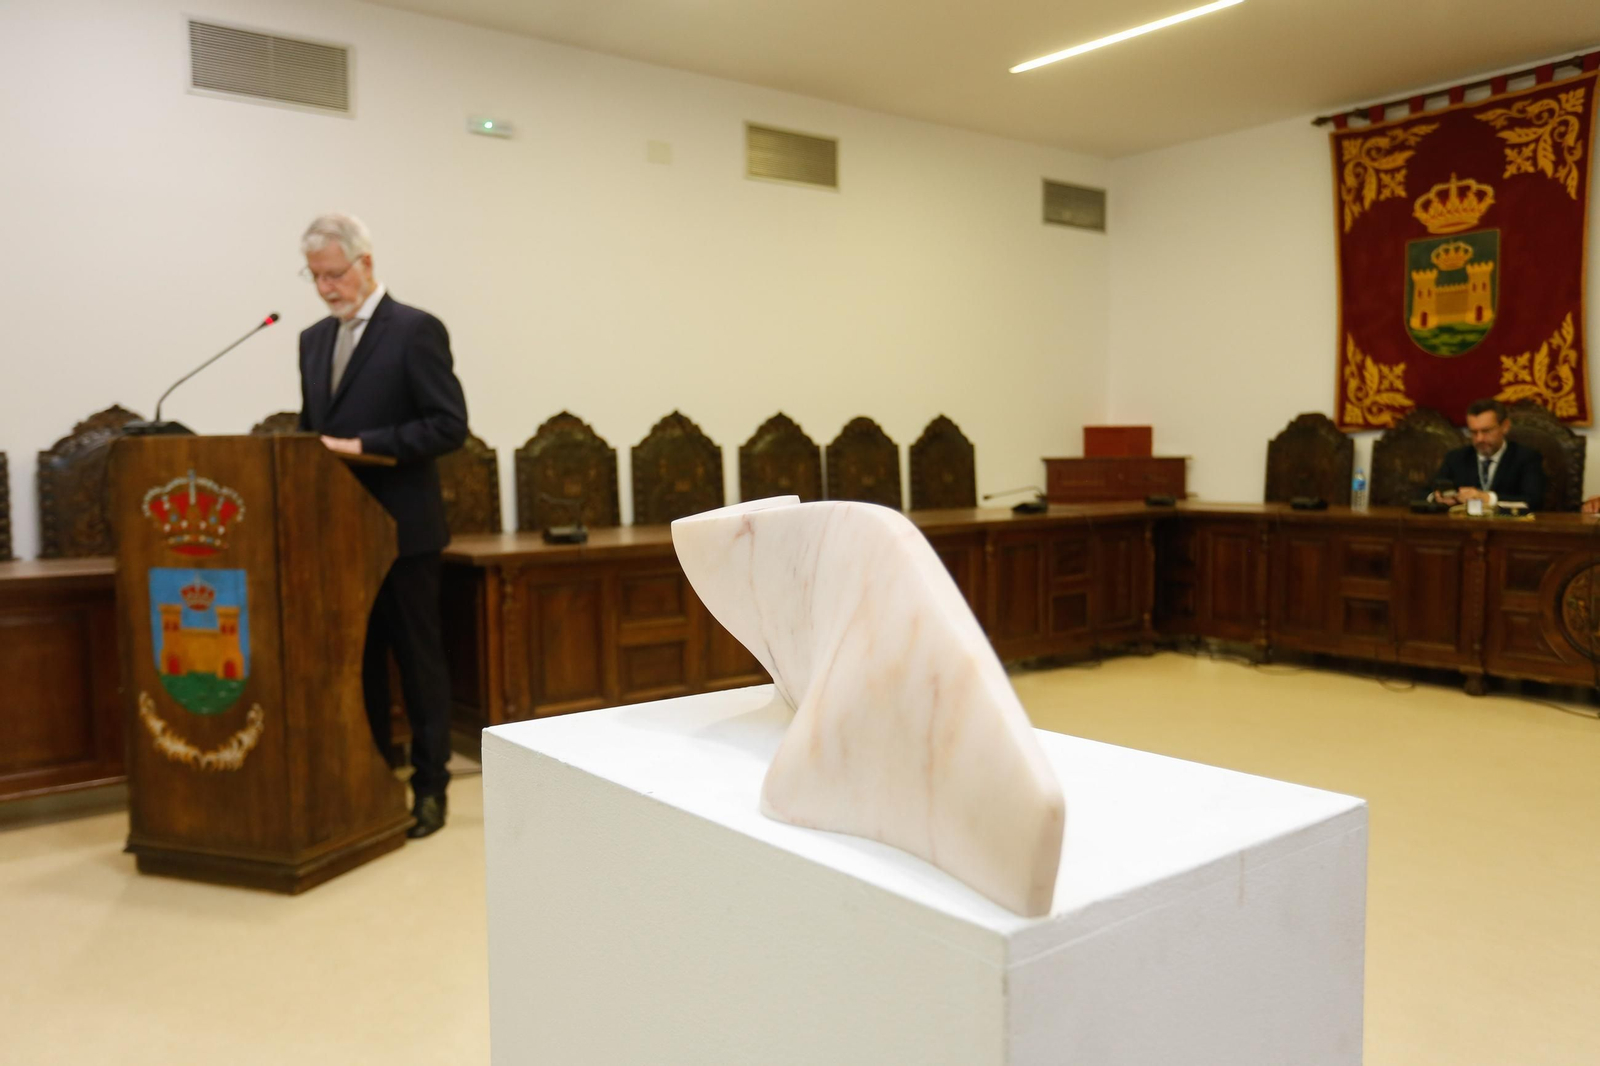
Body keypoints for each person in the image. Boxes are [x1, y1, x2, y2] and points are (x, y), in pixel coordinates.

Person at [296, 213, 469, 838]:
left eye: (334, 274)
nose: (326, 288)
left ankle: (430, 789)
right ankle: (370, 782)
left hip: (403, 532)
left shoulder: (415, 330)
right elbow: (313, 431)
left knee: (418, 665)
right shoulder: (313, 340)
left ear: (365, 264)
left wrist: (363, 445)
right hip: (341, 536)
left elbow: (448, 425)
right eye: (315, 277)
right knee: (356, 662)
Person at [1429, 398, 1545, 511]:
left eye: (1486, 431)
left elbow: (1533, 501)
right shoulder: (1456, 458)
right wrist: (1437, 497)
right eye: (1473, 432)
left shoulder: (1526, 458)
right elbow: (1426, 493)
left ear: (1505, 427)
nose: (1479, 439)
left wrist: (1488, 498)